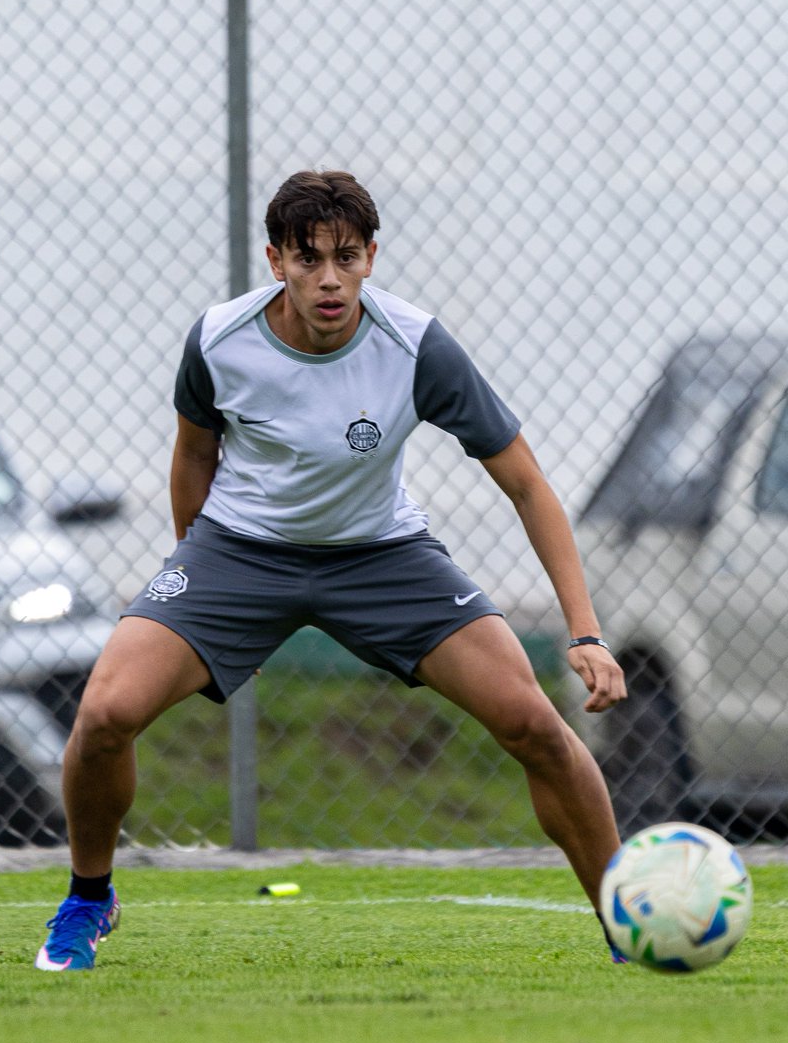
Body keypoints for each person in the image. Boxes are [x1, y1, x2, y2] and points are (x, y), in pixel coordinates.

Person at [34, 170, 628, 972]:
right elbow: (194, 456)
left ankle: (629, 921)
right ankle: (88, 898)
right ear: (276, 260)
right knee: (104, 714)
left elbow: (526, 482)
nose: (329, 280)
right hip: (238, 550)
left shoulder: (416, 346)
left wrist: (584, 630)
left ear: (371, 258)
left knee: (532, 723)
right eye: (308, 259)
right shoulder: (218, 339)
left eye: (346, 258)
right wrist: (194, 590)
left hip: (382, 555)